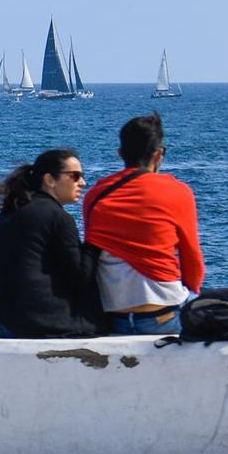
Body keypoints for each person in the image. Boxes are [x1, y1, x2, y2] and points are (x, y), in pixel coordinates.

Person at [83, 113, 205, 335]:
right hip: (165, 315)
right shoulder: (178, 192)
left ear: (121, 153)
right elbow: (192, 259)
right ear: (159, 155)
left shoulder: (96, 194)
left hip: (113, 318)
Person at [0, 149, 100, 338]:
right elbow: (80, 278)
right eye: (75, 176)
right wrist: (96, 240)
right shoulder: (59, 217)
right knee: (94, 322)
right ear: (49, 180)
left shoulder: (14, 208)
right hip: (7, 324)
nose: (82, 183)